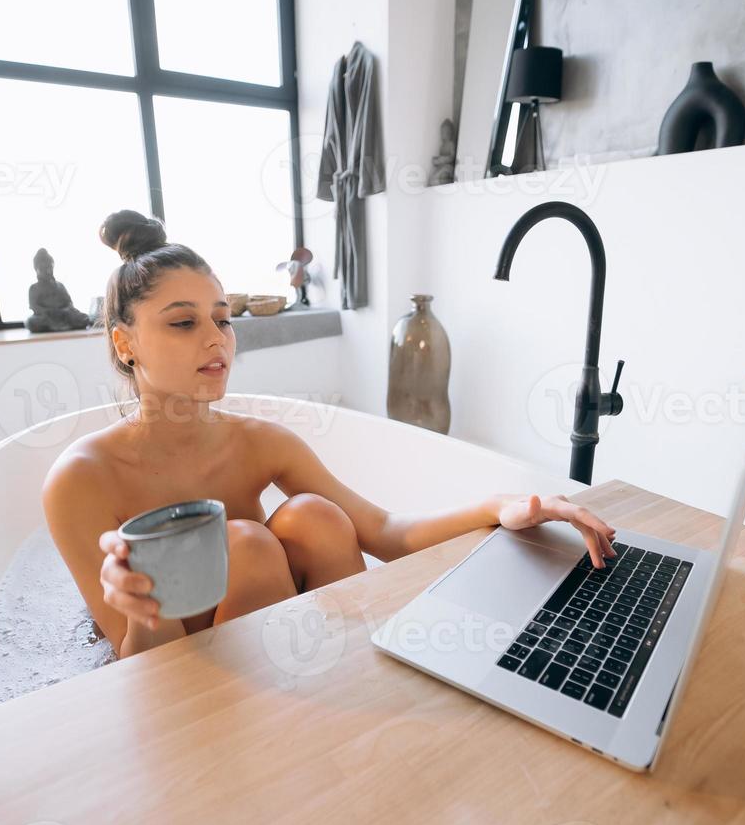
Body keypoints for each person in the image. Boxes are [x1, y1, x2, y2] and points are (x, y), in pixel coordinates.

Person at [42, 209, 618, 660]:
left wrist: (505, 506)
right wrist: (140, 615)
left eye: (222, 318)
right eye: (184, 322)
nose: (216, 338)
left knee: (313, 516)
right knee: (246, 544)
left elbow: (387, 534)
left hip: (286, 652)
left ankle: (352, 680)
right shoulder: (82, 478)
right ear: (125, 344)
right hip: (184, 678)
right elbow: (134, 667)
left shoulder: (261, 442)